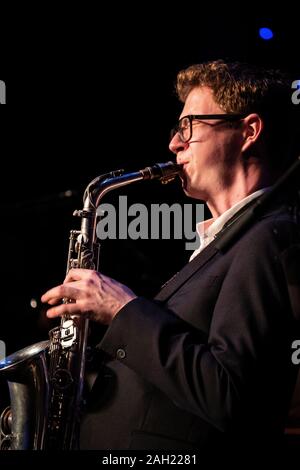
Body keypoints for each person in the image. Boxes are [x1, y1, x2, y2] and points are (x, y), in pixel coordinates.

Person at [41, 60, 300, 456]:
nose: (174, 144)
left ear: (248, 131)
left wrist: (124, 309)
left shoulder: (269, 237)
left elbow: (232, 396)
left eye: (189, 127)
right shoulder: (228, 243)